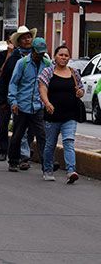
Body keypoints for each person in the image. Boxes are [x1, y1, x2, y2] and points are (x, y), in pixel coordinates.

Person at [38, 45, 83, 183]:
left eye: (66, 55)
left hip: (70, 115)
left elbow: (80, 89)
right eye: (61, 55)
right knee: (50, 144)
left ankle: (71, 171)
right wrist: (47, 103)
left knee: (68, 141)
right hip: (52, 115)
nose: (64, 58)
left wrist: (80, 93)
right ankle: (48, 169)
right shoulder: (48, 72)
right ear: (55, 57)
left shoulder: (74, 73)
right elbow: (42, 88)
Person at [7, 37, 51, 172]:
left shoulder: (47, 64)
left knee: (42, 135)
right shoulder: (22, 63)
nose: (40, 56)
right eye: (38, 53)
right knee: (17, 135)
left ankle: (46, 164)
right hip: (22, 105)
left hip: (38, 106)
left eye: (42, 53)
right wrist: (13, 101)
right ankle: (13, 161)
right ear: (33, 51)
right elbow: (13, 83)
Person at [0, 26, 36, 161]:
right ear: (19, 41)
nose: (27, 40)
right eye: (24, 38)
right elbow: (6, 80)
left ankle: (21, 152)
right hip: (17, 99)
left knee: (32, 130)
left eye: (29, 37)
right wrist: (3, 100)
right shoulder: (14, 58)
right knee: (20, 129)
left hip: (34, 99)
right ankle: (22, 156)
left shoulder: (39, 56)